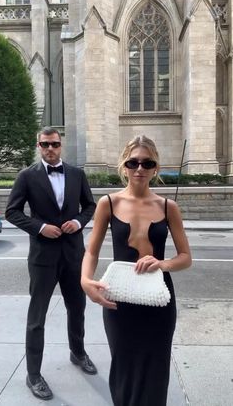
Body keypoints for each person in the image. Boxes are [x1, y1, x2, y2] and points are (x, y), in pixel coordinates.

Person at [81, 135, 192, 406]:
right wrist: (85, 281)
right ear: (124, 166)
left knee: (156, 368)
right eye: (133, 162)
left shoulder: (168, 207)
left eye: (147, 163)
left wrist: (161, 263)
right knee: (124, 367)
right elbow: (92, 251)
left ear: (155, 168)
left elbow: (186, 257)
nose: (139, 168)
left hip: (158, 301)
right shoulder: (109, 203)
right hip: (120, 301)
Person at [5, 127, 97, 401]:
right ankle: (33, 374)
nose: (50, 148)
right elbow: (12, 211)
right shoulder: (27, 176)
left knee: (77, 308)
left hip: (73, 255)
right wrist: (40, 227)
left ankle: (78, 352)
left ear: (61, 145)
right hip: (43, 258)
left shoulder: (77, 174)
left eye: (55, 144)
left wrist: (79, 222)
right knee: (37, 318)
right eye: (45, 144)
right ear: (38, 145)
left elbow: (90, 206)